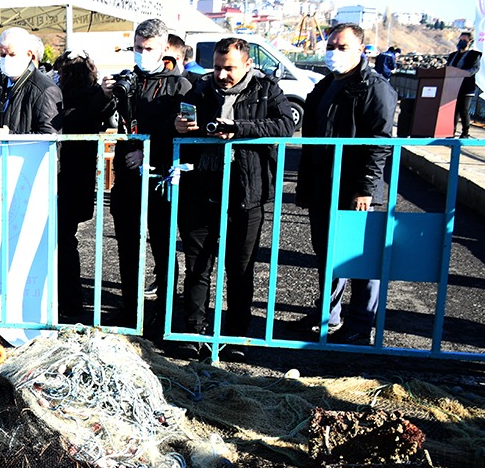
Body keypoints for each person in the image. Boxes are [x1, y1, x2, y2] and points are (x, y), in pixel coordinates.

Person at [173, 37, 291, 359]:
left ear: (247, 65)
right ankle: (191, 333)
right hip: (201, 189)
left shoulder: (266, 89)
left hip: (246, 192)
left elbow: (285, 125)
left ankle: (237, 336)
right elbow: (181, 122)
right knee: (197, 267)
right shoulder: (199, 88)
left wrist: (239, 128)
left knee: (240, 269)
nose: (222, 75)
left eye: (230, 68)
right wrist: (181, 126)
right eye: (217, 68)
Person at [296, 22, 396, 345]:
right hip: (323, 184)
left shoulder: (373, 87)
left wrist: (365, 188)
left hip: (353, 187)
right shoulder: (325, 85)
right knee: (328, 252)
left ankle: (360, 323)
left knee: (359, 257)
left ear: (361, 50)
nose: (333, 53)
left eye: (342, 47)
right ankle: (328, 313)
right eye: (330, 46)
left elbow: (379, 142)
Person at [100, 18, 191, 330]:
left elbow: (183, 131)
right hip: (127, 177)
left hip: (162, 179)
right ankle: (130, 310)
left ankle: (165, 314)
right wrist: (105, 94)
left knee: (163, 248)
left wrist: (151, 150)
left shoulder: (180, 85)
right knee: (127, 245)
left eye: (148, 48)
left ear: (164, 49)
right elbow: (109, 121)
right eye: (137, 47)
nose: (141, 53)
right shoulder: (128, 81)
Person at [54, 50, 109, 319]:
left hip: (64, 177)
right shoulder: (95, 96)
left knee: (62, 242)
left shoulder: (66, 99)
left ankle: (68, 303)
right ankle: (71, 303)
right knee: (66, 242)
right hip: (80, 179)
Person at [0, 27, 63, 134]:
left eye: (12, 54)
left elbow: (50, 138)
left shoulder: (45, 90)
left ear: (28, 55)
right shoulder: (2, 82)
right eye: (3, 55)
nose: (7, 59)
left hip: (22, 149)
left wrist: (10, 136)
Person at [447, 32, 481, 138]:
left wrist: (463, 73)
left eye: (464, 40)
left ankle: (465, 132)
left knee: (464, 110)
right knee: (454, 110)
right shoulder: (453, 56)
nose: (461, 42)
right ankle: (450, 131)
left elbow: (475, 68)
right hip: (453, 86)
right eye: (460, 40)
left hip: (466, 87)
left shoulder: (474, 55)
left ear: (470, 42)